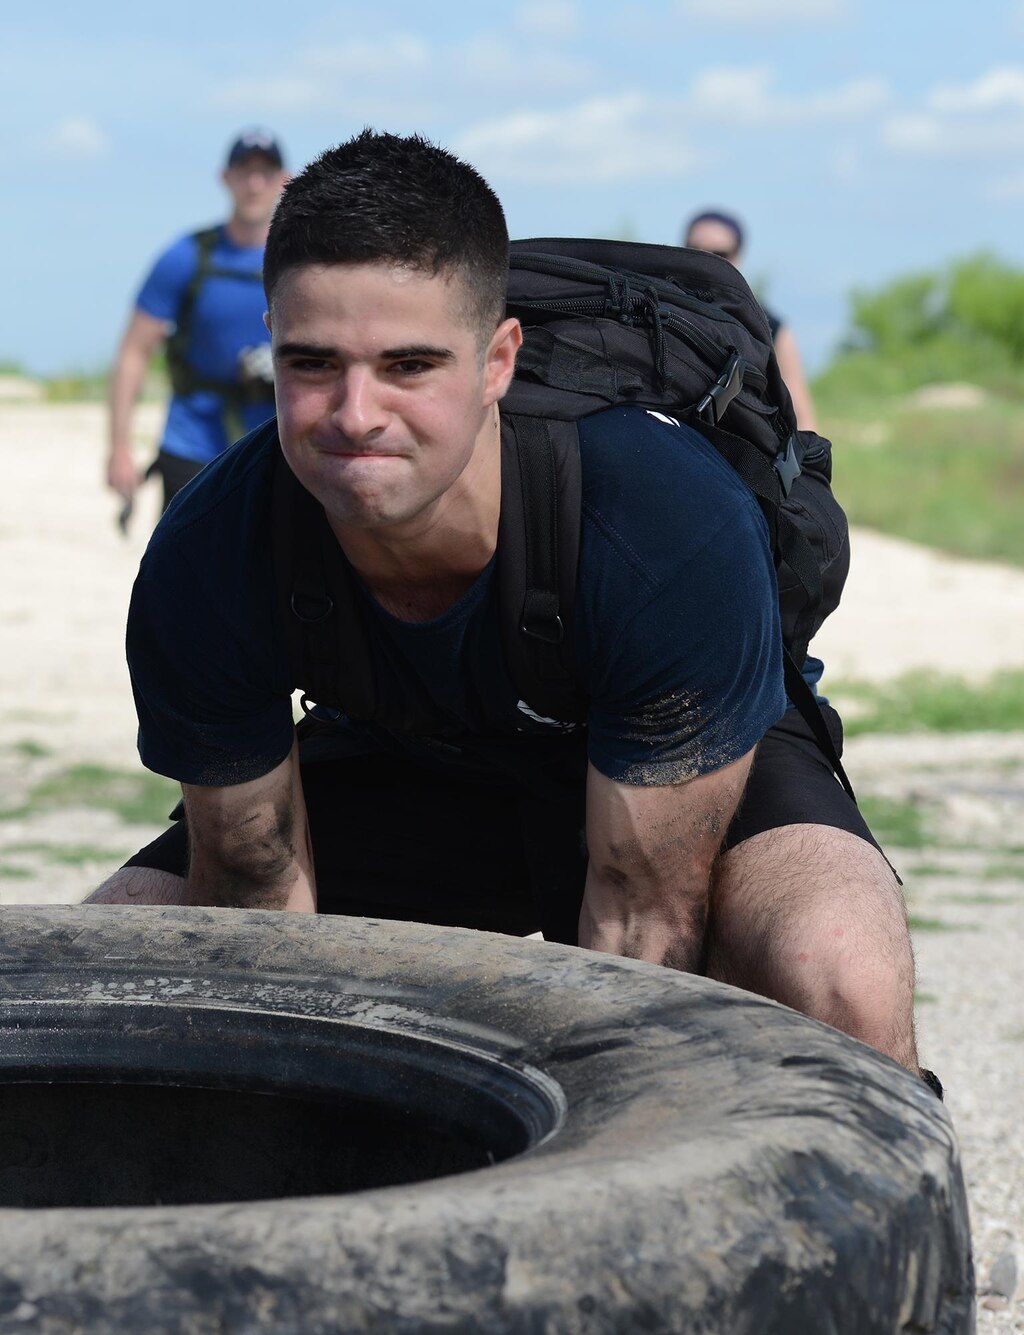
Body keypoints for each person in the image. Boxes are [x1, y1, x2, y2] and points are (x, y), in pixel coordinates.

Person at [91, 131, 921, 1084]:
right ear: (269, 348)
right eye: (313, 364)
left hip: (673, 777)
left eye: (409, 366)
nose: (356, 413)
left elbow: (644, 918)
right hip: (403, 755)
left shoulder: (659, 520)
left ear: (497, 361)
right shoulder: (211, 549)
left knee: (840, 976)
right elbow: (253, 892)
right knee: (108, 962)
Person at [106, 130, 290, 516]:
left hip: (280, 445)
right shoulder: (185, 257)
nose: (255, 184)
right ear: (226, 178)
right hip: (191, 444)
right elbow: (134, 353)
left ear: (284, 179)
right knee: (182, 571)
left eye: (265, 172)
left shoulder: (303, 261)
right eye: (244, 172)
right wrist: (119, 448)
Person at [684, 209, 818, 432]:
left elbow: (801, 417)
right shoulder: (662, 314)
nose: (706, 261)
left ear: (739, 256)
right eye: (694, 251)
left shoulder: (770, 327)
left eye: (720, 254)